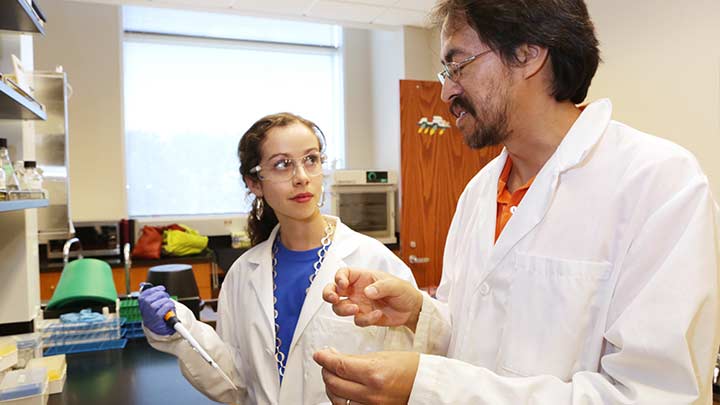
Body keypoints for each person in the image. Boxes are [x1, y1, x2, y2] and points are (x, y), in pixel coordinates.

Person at [313, 0, 720, 404]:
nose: (445, 91)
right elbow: (482, 336)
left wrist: (430, 387)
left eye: (457, 65)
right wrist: (422, 314)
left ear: (528, 54)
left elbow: (653, 396)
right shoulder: (479, 192)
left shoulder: (659, 183)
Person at [139, 112, 416, 404]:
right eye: (282, 165)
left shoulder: (376, 263)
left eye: (311, 159)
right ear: (254, 183)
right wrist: (181, 330)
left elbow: (410, 372)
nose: (302, 178)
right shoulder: (243, 274)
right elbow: (234, 380)